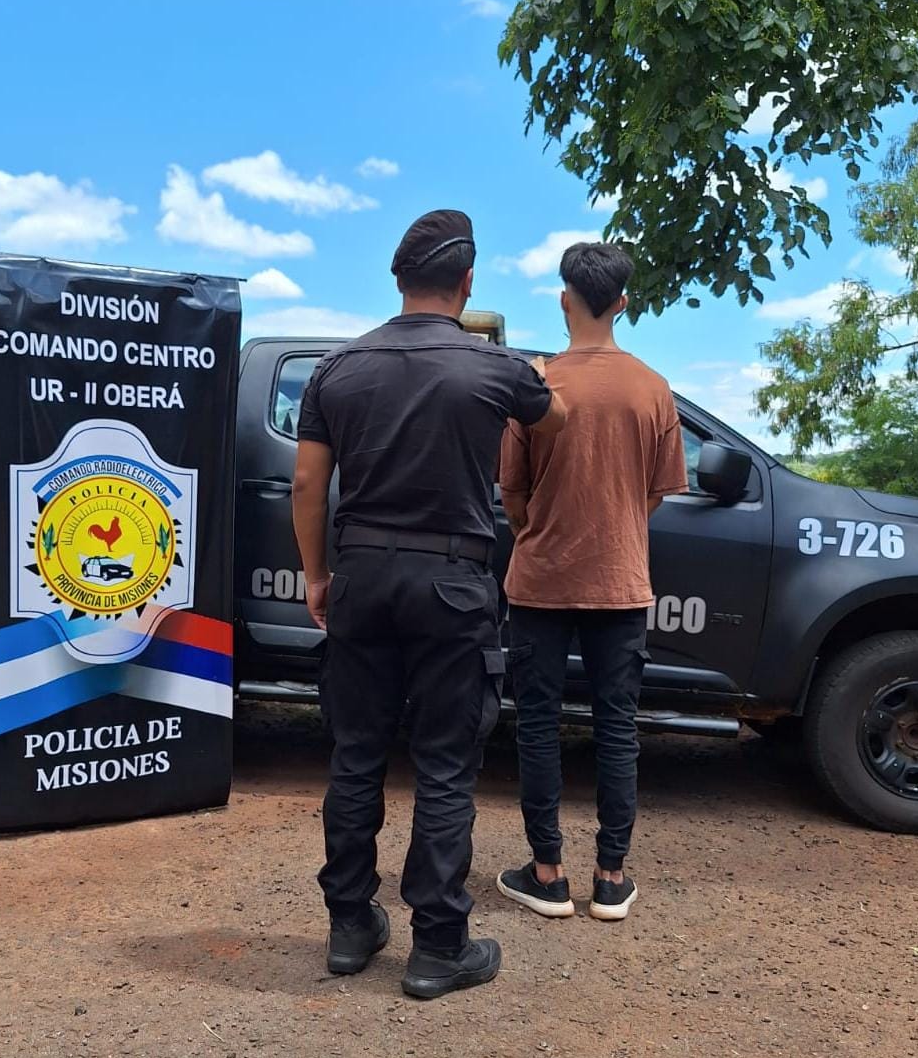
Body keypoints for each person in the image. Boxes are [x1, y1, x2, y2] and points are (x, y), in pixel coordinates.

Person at [292, 210, 566, 999]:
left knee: (355, 754)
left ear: (398, 279)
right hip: (452, 583)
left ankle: (350, 927)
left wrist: (318, 575)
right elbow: (559, 417)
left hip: (361, 577)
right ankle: (438, 946)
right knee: (445, 764)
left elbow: (308, 482)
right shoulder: (496, 368)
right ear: (468, 282)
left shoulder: (336, 368)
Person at [496, 242, 687, 922]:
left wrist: (540, 529)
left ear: (564, 300)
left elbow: (512, 493)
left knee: (537, 724)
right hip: (619, 583)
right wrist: (613, 530)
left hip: (540, 581)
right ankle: (611, 877)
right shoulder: (653, 388)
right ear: (624, 303)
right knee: (616, 727)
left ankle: (547, 874)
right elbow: (655, 493)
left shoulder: (537, 384)